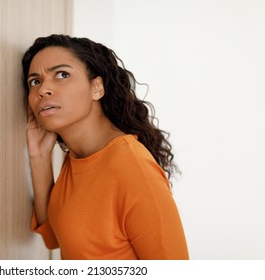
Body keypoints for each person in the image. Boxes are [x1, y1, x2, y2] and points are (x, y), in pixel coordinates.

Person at [22, 34, 189, 260]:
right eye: (35, 81)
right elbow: (55, 236)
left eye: (62, 75)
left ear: (97, 88)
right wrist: (39, 156)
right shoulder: (77, 158)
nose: (43, 90)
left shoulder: (132, 167)